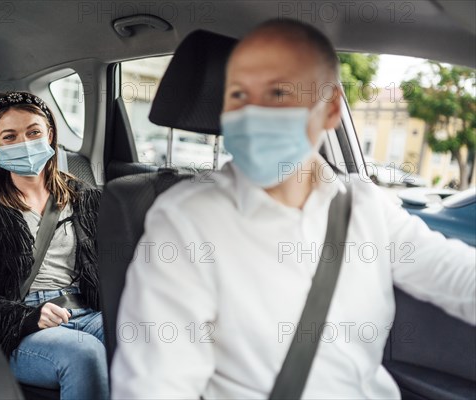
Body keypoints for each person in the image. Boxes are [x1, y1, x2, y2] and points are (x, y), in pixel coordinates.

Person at [110, 19, 476, 399]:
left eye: (278, 92)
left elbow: (457, 278)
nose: (251, 113)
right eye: (237, 95)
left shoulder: (365, 206)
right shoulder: (187, 220)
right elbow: (156, 384)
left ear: (331, 108)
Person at [0, 91, 108, 399]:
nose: (24, 143)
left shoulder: (87, 197)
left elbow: (114, 268)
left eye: (33, 132)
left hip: (87, 310)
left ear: (49, 135)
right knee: (84, 353)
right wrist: (28, 317)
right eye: (10, 136)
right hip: (17, 327)